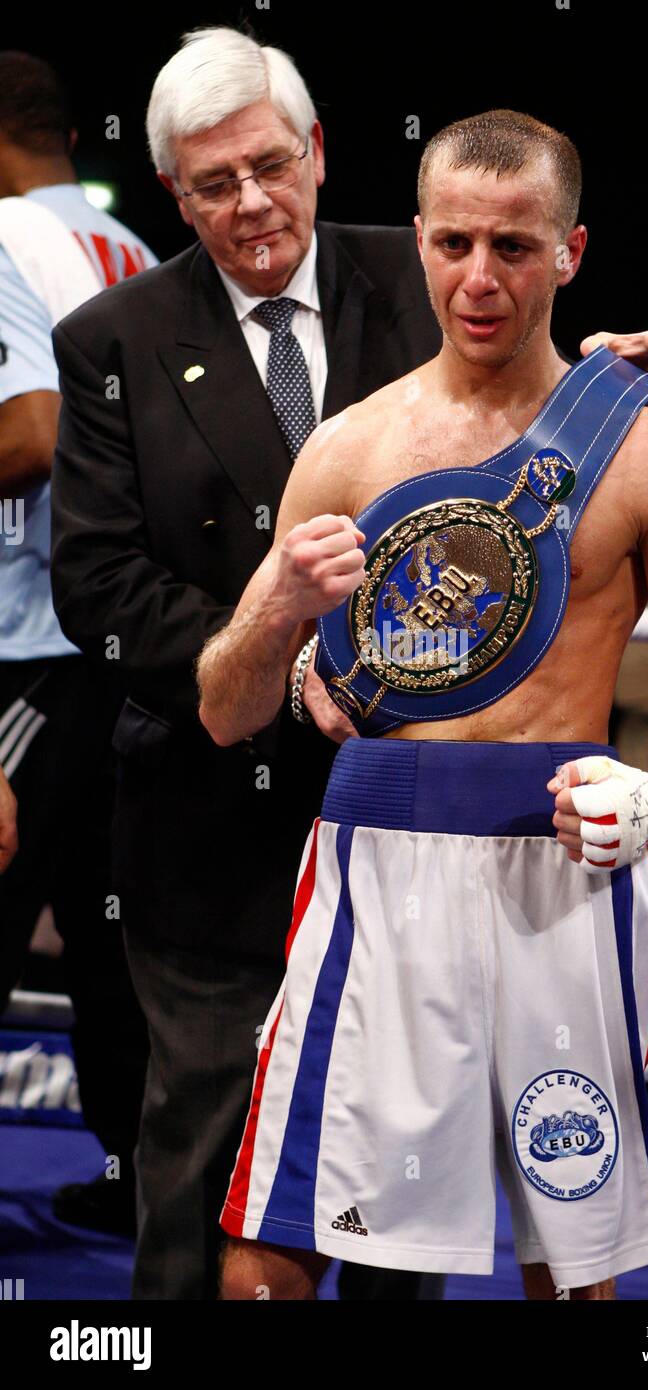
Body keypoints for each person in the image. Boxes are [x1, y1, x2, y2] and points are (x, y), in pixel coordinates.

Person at [50, 27, 648, 1300]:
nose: (248, 203)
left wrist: (647, 370)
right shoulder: (112, 338)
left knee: (419, 1216)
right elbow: (100, 588)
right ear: (171, 195)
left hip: (451, 826)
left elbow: (532, 341)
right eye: (209, 183)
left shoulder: (424, 264)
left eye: (269, 165)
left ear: (316, 156)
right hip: (212, 821)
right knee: (210, 1167)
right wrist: (294, 648)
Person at [197, 109, 648, 1300]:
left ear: (568, 252)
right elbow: (223, 708)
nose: (478, 277)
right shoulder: (349, 451)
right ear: (416, 239)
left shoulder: (645, 456)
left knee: (569, 1263)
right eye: (453, 241)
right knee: (271, 1243)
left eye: (513, 247)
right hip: (375, 863)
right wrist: (275, 623)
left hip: (566, 862)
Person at [0, 50, 155, 1234]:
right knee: (116, 924)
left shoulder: (5, 240)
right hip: (124, 642)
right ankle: (139, 1181)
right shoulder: (133, 252)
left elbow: (31, 436)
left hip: (31, 636)